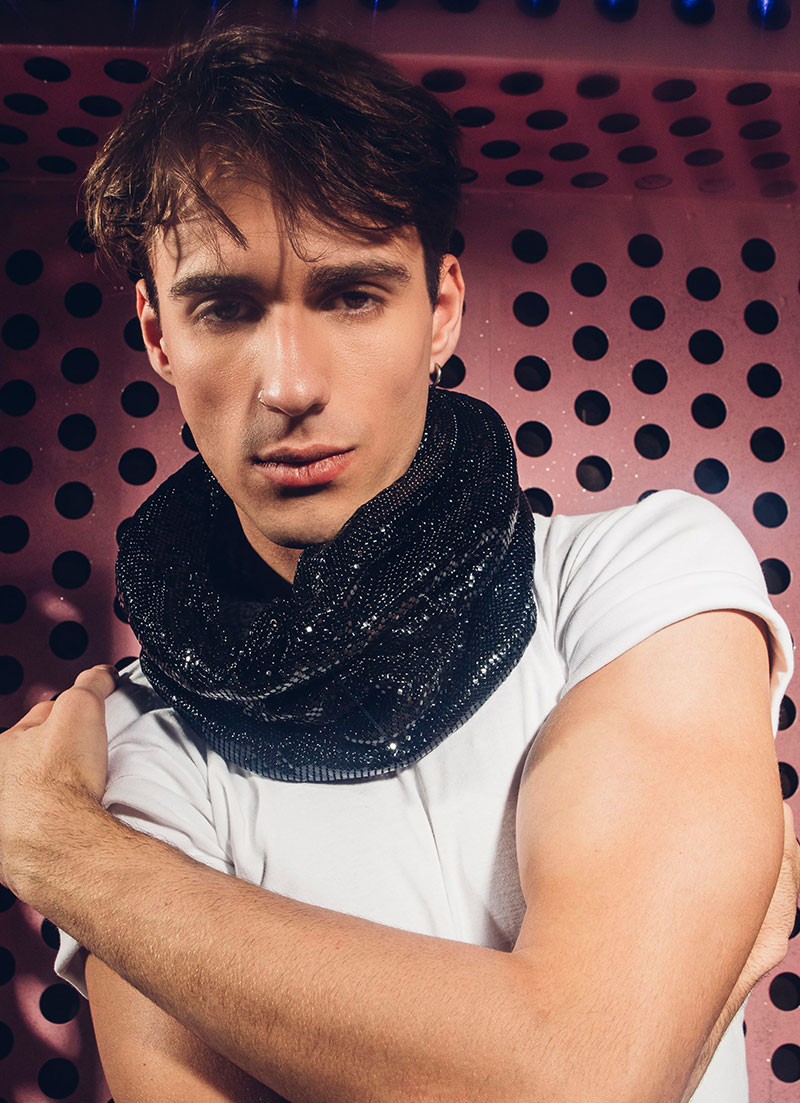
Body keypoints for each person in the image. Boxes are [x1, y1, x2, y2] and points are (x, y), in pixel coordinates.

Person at [0, 23, 798, 1103]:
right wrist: (659, 1023)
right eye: (225, 307)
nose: (290, 384)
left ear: (441, 310)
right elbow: (594, 1073)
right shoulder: (143, 749)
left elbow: (582, 1074)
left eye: (351, 295)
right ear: (156, 332)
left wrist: (59, 852)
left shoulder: (641, 576)